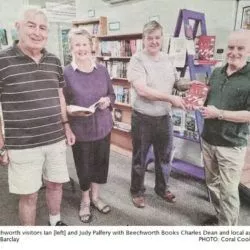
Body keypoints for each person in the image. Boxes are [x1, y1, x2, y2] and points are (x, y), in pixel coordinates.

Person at [0, 7, 75, 226]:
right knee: (29, 195)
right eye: (31, 25)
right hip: (22, 143)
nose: (37, 32)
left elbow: (60, 96)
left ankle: (55, 221)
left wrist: (67, 126)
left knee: (55, 184)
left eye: (43, 28)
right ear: (18, 27)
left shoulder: (54, 61)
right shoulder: (2, 61)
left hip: (55, 138)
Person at [127, 21, 188, 208]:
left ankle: (161, 188)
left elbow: (177, 83)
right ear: (143, 39)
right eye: (149, 38)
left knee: (164, 156)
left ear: (162, 38)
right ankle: (137, 191)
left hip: (164, 118)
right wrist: (170, 98)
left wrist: (193, 85)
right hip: (143, 117)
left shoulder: (168, 59)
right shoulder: (137, 60)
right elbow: (143, 90)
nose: (154, 41)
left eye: (157, 38)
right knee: (140, 157)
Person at [63, 28, 115, 223]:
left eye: (85, 44)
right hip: (81, 131)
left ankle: (95, 197)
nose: (82, 48)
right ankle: (85, 200)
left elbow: (112, 94)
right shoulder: (66, 73)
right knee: (84, 167)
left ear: (91, 46)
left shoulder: (101, 70)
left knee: (101, 164)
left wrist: (107, 101)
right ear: (71, 48)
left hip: (103, 127)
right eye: (77, 45)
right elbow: (62, 103)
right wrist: (70, 111)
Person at [200, 30, 250, 225]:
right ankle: (222, 218)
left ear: (248, 50)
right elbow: (207, 100)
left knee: (229, 191)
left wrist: (219, 113)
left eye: (240, 48)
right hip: (208, 139)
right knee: (212, 184)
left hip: (231, 145)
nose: (234, 52)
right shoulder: (216, 73)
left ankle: (228, 233)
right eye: (230, 47)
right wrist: (197, 92)